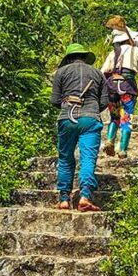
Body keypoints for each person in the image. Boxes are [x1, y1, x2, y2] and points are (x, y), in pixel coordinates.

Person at [49, 43, 108, 212]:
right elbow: (104, 101)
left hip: (67, 118)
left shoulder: (61, 72)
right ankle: (85, 196)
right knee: (88, 158)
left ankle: (64, 199)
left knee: (65, 158)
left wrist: (68, 106)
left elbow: (54, 100)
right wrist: (91, 109)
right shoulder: (98, 74)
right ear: (85, 57)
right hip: (90, 119)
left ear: (68, 58)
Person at [101, 21, 138, 158]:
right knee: (126, 118)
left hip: (112, 87)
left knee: (114, 117)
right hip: (128, 87)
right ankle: (122, 149)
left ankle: (110, 140)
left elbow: (103, 70)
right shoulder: (136, 50)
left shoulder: (112, 53)